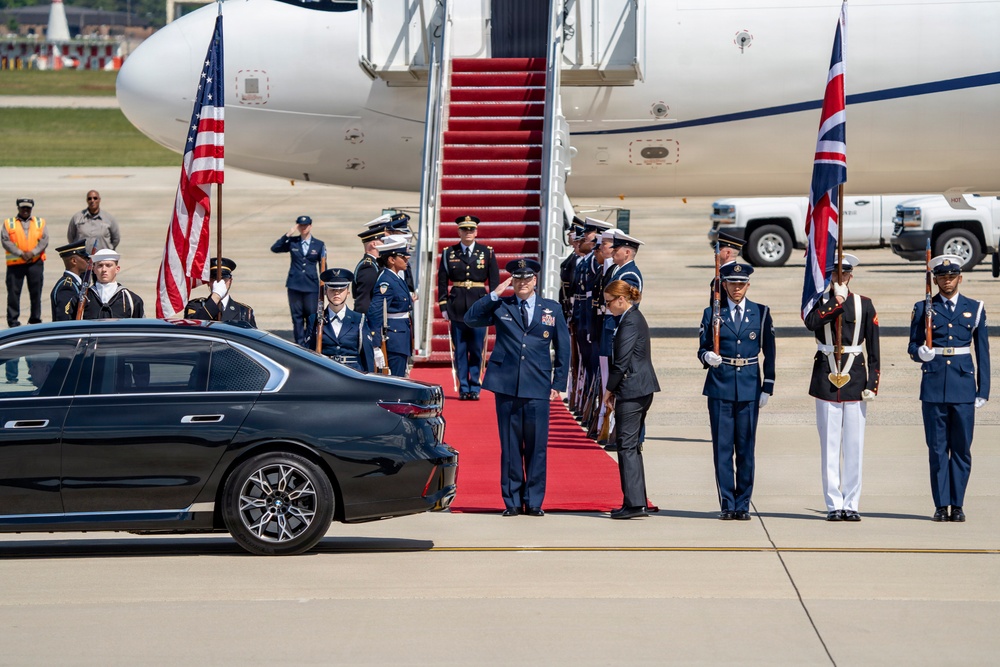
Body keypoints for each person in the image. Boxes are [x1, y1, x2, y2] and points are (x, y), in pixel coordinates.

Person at [465, 258, 570, 517]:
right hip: (507, 384)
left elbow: (564, 348)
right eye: (517, 279)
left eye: (527, 278)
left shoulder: (551, 309)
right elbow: (470, 319)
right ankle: (511, 501)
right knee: (511, 446)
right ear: (512, 281)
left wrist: (558, 383)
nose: (522, 283)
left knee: (537, 447)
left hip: (538, 384)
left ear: (535, 280)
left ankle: (534, 500)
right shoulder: (502, 305)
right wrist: (494, 294)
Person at [907, 254, 990, 523]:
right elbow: (912, 346)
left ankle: (958, 503)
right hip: (933, 386)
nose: (947, 281)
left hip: (963, 386)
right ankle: (941, 505)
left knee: (962, 448)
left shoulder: (974, 308)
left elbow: (983, 352)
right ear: (935, 280)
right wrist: (921, 352)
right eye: (942, 277)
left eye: (952, 276)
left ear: (960, 278)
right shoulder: (923, 308)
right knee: (937, 449)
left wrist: (983, 390)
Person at [804, 254, 880, 522]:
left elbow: (873, 347)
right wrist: (835, 301)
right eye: (836, 274)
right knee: (830, 446)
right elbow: (812, 323)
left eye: (845, 273)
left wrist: (874, 383)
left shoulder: (865, 304)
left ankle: (852, 503)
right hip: (826, 377)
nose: (840, 278)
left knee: (854, 445)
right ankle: (833, 503)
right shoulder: (819, 302)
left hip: (856, 379)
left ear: (851, 275)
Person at [698, 262, 775, 521]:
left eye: (741, 284)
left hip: (750, 387)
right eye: (732, 283)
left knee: (745, 449)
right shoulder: (712, 313)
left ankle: (743, 503)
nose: (737, 288)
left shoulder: (761, 313)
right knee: (722, 448)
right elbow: (702, 347)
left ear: (748, 285)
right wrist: (707, 355)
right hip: (720, 386)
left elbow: (770, 352)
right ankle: (727, 503)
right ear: (725, 285)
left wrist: (768, 386)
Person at [602, 279, 660, 519]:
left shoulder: (630, 321)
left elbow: (620, 362)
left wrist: (608, 390)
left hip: (632, 389)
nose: (608, 308)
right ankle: (637, 500)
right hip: (640, 388)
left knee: (626, 446)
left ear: (621, 299)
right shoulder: (631, 318)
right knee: (632, 446)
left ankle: (634, 504)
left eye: (609, 303)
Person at [437, 214, 500, 400]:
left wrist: (492, 305)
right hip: (456, 306)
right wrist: (443, 305)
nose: (468, 232)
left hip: (479, 306)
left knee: (477, 349)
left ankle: (475, 386)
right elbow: (442, 281)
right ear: (459, 231)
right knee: (460, 350)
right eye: (464, 229)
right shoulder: (449, 252)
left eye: (471, 229)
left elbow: (494, 281)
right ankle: (463, 387)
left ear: (476, 231)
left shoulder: (486, 252)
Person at [304, 267, 379, 373]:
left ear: (348, 292)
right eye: (332, 289)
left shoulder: (359, 319)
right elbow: (308, 352)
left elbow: (367, 355)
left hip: (353, 373)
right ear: (326, 291)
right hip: (326, 372)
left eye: (341, 290)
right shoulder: (315, 320)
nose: (336, 293)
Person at [270, 215, 326, 345]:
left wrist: (324, 286)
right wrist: (288, 234)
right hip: (295, 285)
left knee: (311, 317)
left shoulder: (319, 244)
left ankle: (310, 343)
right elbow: (275, 248)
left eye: (306, 225)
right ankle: (299, 344)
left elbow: (323, 266)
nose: (304, 228)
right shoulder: (293, 242)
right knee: (297, 318)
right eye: (301, 225)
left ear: (310, 226)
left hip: (311, 286)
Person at [367, 237, 414, 377]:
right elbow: (376, 312)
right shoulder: (386, 281)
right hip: (394, 337)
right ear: (391, 260)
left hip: (401, 334)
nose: (406, 259)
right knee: (396, 379)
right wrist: (376, 345)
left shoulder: (396, 277)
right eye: (402, 257)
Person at [3, 198, 49, 330]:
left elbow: (44, 240)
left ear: (32, 209)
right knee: (13, 293)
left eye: (28, 208)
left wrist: (32, 253)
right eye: (23, 208)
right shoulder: (9, 223)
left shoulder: (40, 223)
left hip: (35, 263)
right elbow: (5, 240)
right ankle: (12, 320)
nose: (25, 210)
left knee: (36, 293)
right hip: (15, 264)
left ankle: (35, 319)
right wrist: (20, 253)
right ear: (18, 208)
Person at [183, 257, 257, 327]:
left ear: (230, 281)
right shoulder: (195, 306)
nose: (219, 282)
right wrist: (216, 296)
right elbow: (194, 328)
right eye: (214, 278)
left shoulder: (244, 311)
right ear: (208, 282)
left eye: (224, 278)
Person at [72, 248, 144, 319]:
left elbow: (140, 327)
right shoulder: (81, 299)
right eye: (100, 265)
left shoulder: (132, 300)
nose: (104, 270)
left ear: (117, 269)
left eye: (108, 265)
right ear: (94, 269)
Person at [353, 216, 389, 315]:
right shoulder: (368, 266)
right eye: (382, 240)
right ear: (373, 244)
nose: (385, 243)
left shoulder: (375, 263)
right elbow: (364, 300)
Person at [50, 240, 91, 322]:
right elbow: (64, 319)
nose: (88, 260)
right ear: (74, 261)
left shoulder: (75, 283)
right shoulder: (67, 287)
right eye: (84, 258)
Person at [709, 231, 744, 304]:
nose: (715, 252)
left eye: (719, 249)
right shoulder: (723, 272)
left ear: (727, 253)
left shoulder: (731, 274)